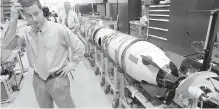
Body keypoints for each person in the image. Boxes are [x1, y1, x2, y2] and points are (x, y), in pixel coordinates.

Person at [2, 0, 85, 108]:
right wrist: (13, 19)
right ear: (24, 17)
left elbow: (79, 46)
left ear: (41, 11)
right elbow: (8, 45)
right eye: (29, 16)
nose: (34, 19)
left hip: (58, 79)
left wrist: (72, 64)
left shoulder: (59, 30)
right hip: (38, 81)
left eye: (36, 13)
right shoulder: (27, 33)